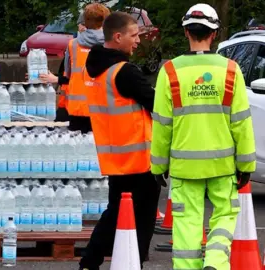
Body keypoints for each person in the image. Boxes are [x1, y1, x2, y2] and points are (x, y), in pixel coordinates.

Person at [151, 3, 256, 270]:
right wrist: (246, 165)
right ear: (215, 33)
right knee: (224, 216)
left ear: (186, 32)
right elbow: (241, 124)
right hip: (222, 166)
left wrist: (158, 165)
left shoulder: (170, 72)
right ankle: (216, 262)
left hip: (185, 167)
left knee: (186, 226)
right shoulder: (231, 70)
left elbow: (162, 125)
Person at [78, 12, 159, 270]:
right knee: (140, 218)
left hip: (114, 156)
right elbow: (158, 105)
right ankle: (133, 262)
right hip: (138, 159)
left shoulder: (92, 69)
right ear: (118, 36)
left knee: (114, 213)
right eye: (134, 35)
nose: (137, 41)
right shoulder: (124, 73)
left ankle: (91, 262)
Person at [63, 3, 110, 133]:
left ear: (84, 21)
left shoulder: (72, 45)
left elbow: (67, 74)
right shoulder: (110, 45)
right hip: (102, 108)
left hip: (77, 108)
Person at [38, 13, 87, 122]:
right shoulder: (73, 46)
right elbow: (68, 75)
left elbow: (82, 78)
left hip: (80, 109)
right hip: (67, 104)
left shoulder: (87, 48)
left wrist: (56, 79)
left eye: (81, 24)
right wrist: (50, 77)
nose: (79, 27)